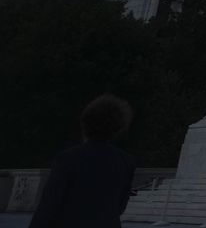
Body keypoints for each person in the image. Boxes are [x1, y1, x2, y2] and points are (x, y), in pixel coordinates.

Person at [29, 95, 137, 228]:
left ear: (85, 123)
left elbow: (49, 205)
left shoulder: (68, 158)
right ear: (118, 128)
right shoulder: (126, 161)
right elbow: (120, 206)